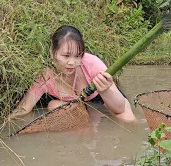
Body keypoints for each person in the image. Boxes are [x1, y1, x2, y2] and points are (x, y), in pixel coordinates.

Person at [8, 25, 136, 122]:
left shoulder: (91, 63)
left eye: (78, 56)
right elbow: (24, 108)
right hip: (77, 108)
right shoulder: (45, 77)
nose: (72, 62)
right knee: (53, 106)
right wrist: (6, 123)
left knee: (127, 118)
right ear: (53, 53)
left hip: (103, 100)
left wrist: (105, 90)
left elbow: (119, 108)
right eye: (66, 55)